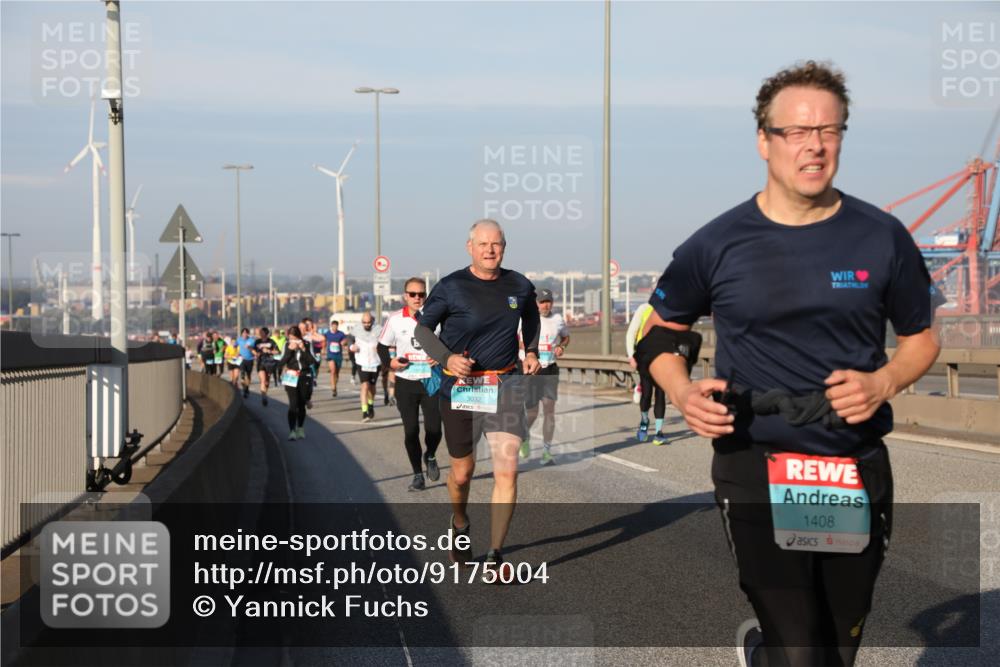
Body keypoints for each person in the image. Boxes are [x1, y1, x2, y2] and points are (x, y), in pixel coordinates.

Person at [637, 61, 940, 667]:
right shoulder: (717, 243)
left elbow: (921, 337)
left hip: (852, 463)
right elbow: (654, 335)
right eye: (797, 132)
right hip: (757, 459)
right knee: (802, 650)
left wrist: (885, 380)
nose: (815, 145)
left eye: (830, 130)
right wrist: (682, 388)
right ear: (764, 141)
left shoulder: (881, 236)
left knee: (836, 645)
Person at [415, 219, 540, 574]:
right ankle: (459, 523)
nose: (490, 250)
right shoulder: (452, 286)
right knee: (463, 473)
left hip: (504, 384)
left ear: (504, 246)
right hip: (461, 388)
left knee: (508, 470)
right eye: (483, 244)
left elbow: (530, 316)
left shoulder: (519, 284)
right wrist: (447, 358)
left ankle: (495, 555)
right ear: (470, 247)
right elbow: (423, 329)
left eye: (496, 244)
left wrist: (530, 351)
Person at [377, 277, 443, 491]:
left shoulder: (438, 318)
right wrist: (390, 363)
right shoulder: (395, 319)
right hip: (406, 382)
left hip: (431, 380)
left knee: (434, 430)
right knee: (411, 431)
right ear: (405, 296)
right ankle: (417, 475)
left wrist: (442, 355)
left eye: (421, 294)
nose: (417, 298)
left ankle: (430, 454)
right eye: (413, 294)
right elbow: (381, 347)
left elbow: (451, 341)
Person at [520, 288, 570, 464]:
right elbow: (515, 339)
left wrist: (561, 347)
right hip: (531, 370)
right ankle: (524, 436)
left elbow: (565, 337)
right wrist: (529, 348)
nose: (545, 305)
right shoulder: (526, 318)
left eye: (548, 301)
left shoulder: (558, 320)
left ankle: (546, 451)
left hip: (550, 369)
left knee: (549, 410)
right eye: (542, 302)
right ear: (536, 303)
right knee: (532, 412)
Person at [626, 302, 668, 445]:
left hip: (662, 358)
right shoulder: (644, 308)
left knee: (661, 393)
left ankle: (658, 432)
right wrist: (631, 355)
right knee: (647, 393)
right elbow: (631, 332)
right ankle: (644, 421)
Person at [278, 325, 318, 441]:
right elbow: (281, 363)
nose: (293, 340)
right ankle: (292, 431)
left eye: (295, 338)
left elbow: (313, 362)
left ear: (299, 337)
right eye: (290, 338)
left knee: (301, 404)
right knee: (293, 405)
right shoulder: (286, 345)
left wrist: (304, 349)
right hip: (291, 375)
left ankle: (300, 427)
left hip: (304, 375)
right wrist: (290, 350)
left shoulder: (307, 344)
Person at [349, 312, 381, 422]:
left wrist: (380, 348)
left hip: (375, 361)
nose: (366, 324)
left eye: (368, 322)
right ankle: (364, 412)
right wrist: (351, 346)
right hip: (361, 361)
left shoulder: (379, 329)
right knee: (365, 385)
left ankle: (371, 404)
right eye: (364, 322)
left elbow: (386, 342)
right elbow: (349, 339)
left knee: (372, 387)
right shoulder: (356, 329)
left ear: (372, 321)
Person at [253, 326, 281, 407]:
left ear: (266, 333)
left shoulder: (271, 342)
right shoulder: (257, 341)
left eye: (261, 332)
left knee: (267, 382)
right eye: (260, 332)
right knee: (263, 380)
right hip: (260, 363)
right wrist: (255, 353)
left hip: (269, 363)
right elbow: (254, 351)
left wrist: (269, 351)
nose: (260, 333)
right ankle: (264, 397)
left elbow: (278, 351)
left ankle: (265, 392)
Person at [324, 318, 348, 397]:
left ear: (337, 326)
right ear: (331, 326)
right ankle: (333, 388)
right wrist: (323, 348)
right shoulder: (327, 334)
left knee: (337, 373)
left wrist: (344, 343)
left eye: (336, 326)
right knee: (333, 371)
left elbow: (345, 341)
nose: (334, 327)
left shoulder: (341, 334)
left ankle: (335, 385)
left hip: (338, 355)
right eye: (333, 326)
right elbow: (323, 340)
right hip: (330, 355)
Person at [236, 327, 257, 398]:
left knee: (248, 375)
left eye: (246, 333)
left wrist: (250, 348)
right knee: (242, 374)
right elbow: (234, 346)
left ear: (248, 333)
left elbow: (254, 349)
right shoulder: (239, 340)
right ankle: (244, 389)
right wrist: (237, 353)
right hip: (242, 359)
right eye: (243, 333)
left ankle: (247, 388)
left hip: (250, 359)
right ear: (241, 333)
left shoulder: (251, 340)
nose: (245, 334)